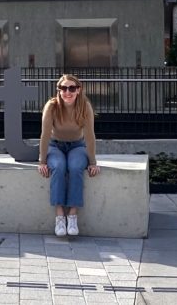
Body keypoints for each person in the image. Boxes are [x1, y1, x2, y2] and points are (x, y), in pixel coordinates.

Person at [38, 74, 100, 237]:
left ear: (78, 90)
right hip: (55, 145)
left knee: (75, 167)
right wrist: (42, 161)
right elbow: (44, 135)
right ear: (59, 90)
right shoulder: (51, 106)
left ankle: (72, 216)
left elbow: (89, 136)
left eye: (72, 88)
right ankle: (60, 217)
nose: (68, 92)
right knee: (58, 166)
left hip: (77, 146)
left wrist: (92, 162)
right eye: (64, 88)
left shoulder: (84, 106)